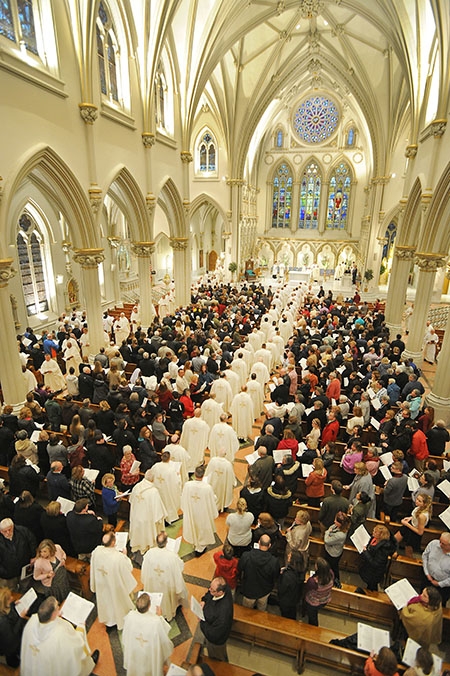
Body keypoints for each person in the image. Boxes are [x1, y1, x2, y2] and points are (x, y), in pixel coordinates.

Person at [20, 596, 98, 676]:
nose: (59, 608)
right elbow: (76, 646)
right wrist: (81, 627)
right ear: (53, 614)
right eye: (58, 607)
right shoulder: (60, 633)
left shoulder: (32, 621)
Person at [90, 531, 136, 632]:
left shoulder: (96, 552)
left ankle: (109, 623)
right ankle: (119, 619)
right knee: (117, 601)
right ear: (113, 543)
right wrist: (125, 555)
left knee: (106, 602)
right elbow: (129, 568)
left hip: (102, 584)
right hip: (114, 585)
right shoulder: (118, 557)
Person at [122, 592, 174, 676]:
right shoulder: (156, 621)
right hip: (149, 653)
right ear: (149, 606)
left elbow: (125, 635)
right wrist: (159, 616)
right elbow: (164, 637)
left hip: (135, 650)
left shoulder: (130, 615)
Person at [141, 531, 188, 621]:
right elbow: (180, 568)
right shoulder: (172, 556)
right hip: (167, 584)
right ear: (167, 543)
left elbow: (144, 570)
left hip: (153, 581)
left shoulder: (149, 553)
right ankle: (168, 612)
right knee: (167, 598)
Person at [181, 464, 218, 556]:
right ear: (203, 475)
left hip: (191, 511)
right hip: (202, 513)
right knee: (202, 529)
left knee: (193, 527)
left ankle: (196, 543)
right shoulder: (207, 488)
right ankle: (200, 547)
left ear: (194, 473)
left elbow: (183, 498)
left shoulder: (187, 485)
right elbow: (212, 500)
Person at [129, 470, 168, 554]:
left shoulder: (136, 486)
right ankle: (147, 546)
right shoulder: (153, 491)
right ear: (153, 479)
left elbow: (131, 501)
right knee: (148, 533)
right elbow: (158, 510)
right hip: (147, 519)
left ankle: (139, 546)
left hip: (136, 516)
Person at [238, 534, 280, 610]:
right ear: (269, 545)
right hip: (265, 589)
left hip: (249, 589)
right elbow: (276, 576)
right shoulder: (274, 561)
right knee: (262, 608)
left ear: (259, 542)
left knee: (246, 610)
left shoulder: (246, 556)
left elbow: (240, 568)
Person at [198, 576, 233, 661]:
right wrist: (204, 600)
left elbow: (214, 634)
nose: (209, 590)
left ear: (220, 592)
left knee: (217, 658)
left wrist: (202, 621)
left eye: (212, 590)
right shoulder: (223, 588)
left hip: (215, 642)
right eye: (210, 587)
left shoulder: (223, 613)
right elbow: (209, 594)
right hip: (210, 625)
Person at [356, 524, 396, 592]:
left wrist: (365, 552)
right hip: (368, 568)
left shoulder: (383, 550)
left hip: (374, 573)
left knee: (372, 587)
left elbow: (375, 563)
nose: (373, 532)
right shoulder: (374, 539)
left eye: (375, 532)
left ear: (380, 535)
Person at [0, 517, 35, 589]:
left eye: (9, 530)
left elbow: (32, 541)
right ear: (0, 531)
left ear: (13, 527)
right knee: (11, 591)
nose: (8, 533)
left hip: (24, 567)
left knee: (26, 587)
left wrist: (33, 556)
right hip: (8, 574)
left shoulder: (23, 531)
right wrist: (3, 572)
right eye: (4, 531)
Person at [394, 492, 432, 558]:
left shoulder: (422, 516)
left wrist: (406, 524)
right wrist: (409, 518)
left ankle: (409, 565)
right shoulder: (418, 508)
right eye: (417, 499)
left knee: (408, 551)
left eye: (419, 501)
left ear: (424, 504)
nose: (416, 501)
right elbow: (415, 516)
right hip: (410, 525)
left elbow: (420, 532)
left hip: (413, 533)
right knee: (394, 539)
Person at [151, 450, 182, 523]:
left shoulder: (156, 466)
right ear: (169, 459)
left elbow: (151, 475)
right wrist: (178, 475)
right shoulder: (171, 470)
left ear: (161, 457)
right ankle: (167, 518)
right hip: (166, 491)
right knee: (167, 504)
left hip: (157, 489)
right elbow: (177, 482)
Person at [303, 556, 334, 626]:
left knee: (313, 618)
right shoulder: (331, 574)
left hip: (313, 602)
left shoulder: (313, 582)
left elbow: (307, 589)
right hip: (325, 599)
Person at [324, 511, 351, 589]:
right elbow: (332, 527)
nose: (334, 521)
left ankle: (336, 581)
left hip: (333, 553)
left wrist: (327, 532)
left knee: (333, 567)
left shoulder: (341, 535)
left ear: (340, 524)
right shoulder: (339, 527)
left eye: (336, 520)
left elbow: (327, 541)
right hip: (332, 550)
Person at [422, 533, 450, 606]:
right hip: (427, 578)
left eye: (443, 544)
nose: (440, 544)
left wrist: (439, 584)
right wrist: (427, 573)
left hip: (443, 587)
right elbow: (425, 556)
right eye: (440, 541)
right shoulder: (433, 544)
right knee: (423, 600)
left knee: (438, 604)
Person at [205, 448, 235, 512]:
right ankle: (221, 506)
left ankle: (211, 505)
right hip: (222, 485)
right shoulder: (228, 464)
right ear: (225, 454)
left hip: (213, 482)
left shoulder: (213, 461)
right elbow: (231, 478)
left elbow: (207, 473)